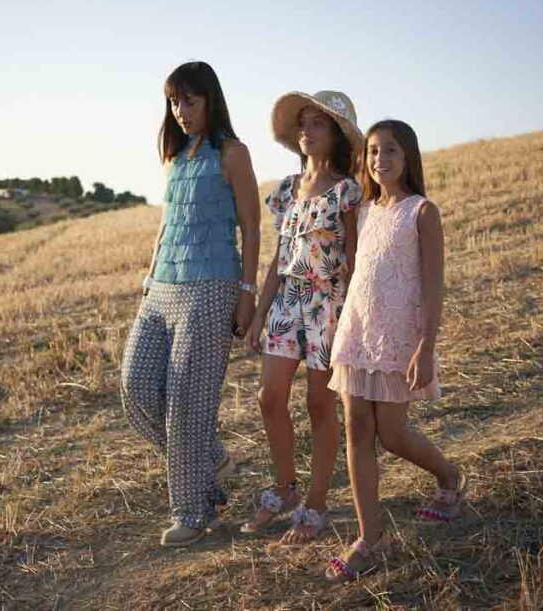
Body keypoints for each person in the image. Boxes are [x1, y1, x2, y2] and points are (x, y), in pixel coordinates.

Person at [120, 61, 261, 547]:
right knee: (135, 388)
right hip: (161, 286)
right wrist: (149, 275)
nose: (181, 111)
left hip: (213, 285)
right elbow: (167, 223)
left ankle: (194, 513)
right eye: (174, 101)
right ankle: (211, 455)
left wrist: (247, 293)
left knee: (185, 404)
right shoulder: (175, 158)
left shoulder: (233, 153)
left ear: (211, 100)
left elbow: (253, 226)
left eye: (191, 101)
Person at [325, 119, 466, 582]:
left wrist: (426, 346)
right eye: (372, 151)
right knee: (356, 427)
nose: (379, 159)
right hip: (357, 332)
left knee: (393, 433)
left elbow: (433, 284)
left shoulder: (422, 212)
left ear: (408, 158)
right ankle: (371, 537)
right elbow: (354, 275)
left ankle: (449, 476)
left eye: (390, 151)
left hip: (397, 337)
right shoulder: (363, 211)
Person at [241, 91, 363, 544]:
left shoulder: (347, 190)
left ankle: (315, 503)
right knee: (268, 397)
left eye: (319, 124)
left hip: (328, 303)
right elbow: (279, 259)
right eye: (304, 124)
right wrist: (257, 317)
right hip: (287, 302)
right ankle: (286, 487)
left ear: (335, 135)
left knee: (318, 405)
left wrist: (352, 314)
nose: (308, 131)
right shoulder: (288, 191)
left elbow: (352, 259)